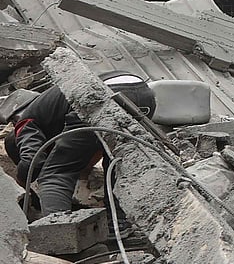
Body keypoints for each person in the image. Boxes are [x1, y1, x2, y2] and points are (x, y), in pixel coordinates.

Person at [4, 73, 156, 218]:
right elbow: (90, 147)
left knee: (56, 174)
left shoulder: (26, 120)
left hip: (102, 96)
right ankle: (118, 222)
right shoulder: (54, 106)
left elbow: (33, 160)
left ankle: (60, 231)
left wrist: (22, 180)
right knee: (116, 163)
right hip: (143, 93)